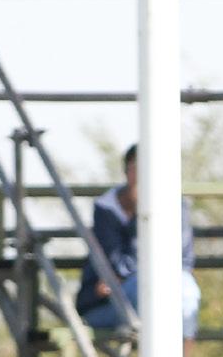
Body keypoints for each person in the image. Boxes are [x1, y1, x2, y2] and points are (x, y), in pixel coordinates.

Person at [75, 144, 200, 344]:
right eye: (138, 168)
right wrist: (141, 217)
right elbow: (118, 267)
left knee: (186, 292)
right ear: (127, 171)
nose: (144, 175)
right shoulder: (106, 209)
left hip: (165, 285)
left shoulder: (175, 204)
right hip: (116, 300)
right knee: (150, 288)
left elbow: (182, 259)